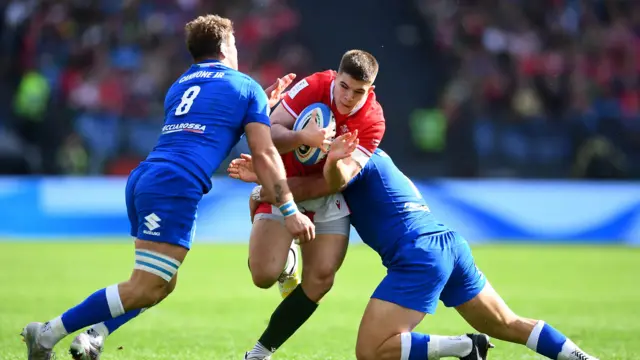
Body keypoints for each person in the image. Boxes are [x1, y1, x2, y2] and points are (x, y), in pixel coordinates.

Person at [21, 14, 315, 360]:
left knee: (162, 282)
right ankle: (45, 334)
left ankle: (95, 335)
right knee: (144, 285)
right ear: (224, 47)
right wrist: (290, 209)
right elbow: (264, 153)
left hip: (147, 176)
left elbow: (210, 120)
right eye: (234, 44)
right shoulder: (243, 85)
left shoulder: (181, 84)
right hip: (175, 184)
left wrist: (259, 105)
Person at [228, 133, 600, 360]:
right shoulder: (375, 157)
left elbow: (318, 188)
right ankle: (583, 358)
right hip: (449, 243)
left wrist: (263, 183)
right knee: (510, 323)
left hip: (417, 254)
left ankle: (463, 347)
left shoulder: (351, 161)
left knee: (371, 351)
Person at [229, 50, 386, 360]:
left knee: (322, 278)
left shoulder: (373, 120)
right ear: (336, 77)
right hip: (284, 182)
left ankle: (260, 353)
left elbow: (336, 183)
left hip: (322, 195)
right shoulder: (313, 85)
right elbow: (267, 135)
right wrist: (304, 137)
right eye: (344, 86)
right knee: (263, 275)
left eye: (359, 91)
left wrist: (333, 162)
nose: (349, 97)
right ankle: (287, 265)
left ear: (371, 91)